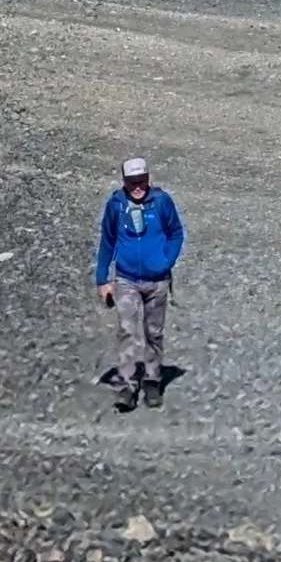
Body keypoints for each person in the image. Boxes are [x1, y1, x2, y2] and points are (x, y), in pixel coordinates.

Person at [92, 157, 185, 411]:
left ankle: (153, 379)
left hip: (157, 281)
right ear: (124, 182)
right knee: (127, 331)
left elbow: (176, 232)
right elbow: (107, 242)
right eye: (132, 182)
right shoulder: (116, 206)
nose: (137, 187)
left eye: (141, 181)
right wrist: (103, 279)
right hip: (126, 279)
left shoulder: (161, 202)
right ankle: (127, 385)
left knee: (153, 332)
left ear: (148, 179)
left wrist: (166, 261)